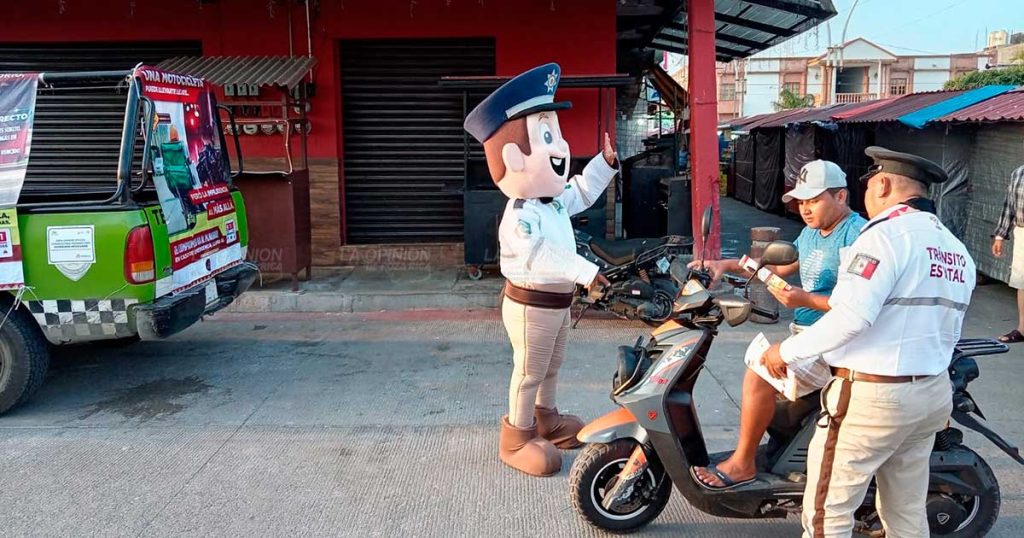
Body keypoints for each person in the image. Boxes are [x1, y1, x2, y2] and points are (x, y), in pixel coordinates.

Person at [761, 146, 974, 537]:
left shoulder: (883, 237)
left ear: (883, 184)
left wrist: (784, 351)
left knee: (829, 512)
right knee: (906, 510)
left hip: (874, 397)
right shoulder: (955, 249)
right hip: (930, 393)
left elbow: (850, 317)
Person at [463, 63, 616, 477]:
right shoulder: (520, 216)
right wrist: (586, 271)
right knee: (529, 369)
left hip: (558, 302)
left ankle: (545, 419)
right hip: (531, 305)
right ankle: (516, 436)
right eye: (547, 137)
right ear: (513, 156)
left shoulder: (551, 200)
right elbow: (541, 254)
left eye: (557, 135)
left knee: (552, 365)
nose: (561, 147)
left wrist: (603, 163)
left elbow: (581, 192)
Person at [688, 160, 866, 489]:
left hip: (838, 341)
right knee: (762, 359)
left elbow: (859, 306)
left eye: (814, 200)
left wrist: (805, 300)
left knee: (760, 370)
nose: (805, 209)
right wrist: (722, 264)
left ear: (840, 196)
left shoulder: (858, 236)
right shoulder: (811, 234)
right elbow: (776, 268)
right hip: (805, 334)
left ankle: (743, 464)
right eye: (801, 201)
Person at [991, 161, 1024, 343]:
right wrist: (1000, 236)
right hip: (1022, 231)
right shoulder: (1018, 173)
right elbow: (1009, 206)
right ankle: (1022, 329)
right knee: (1022, 282)